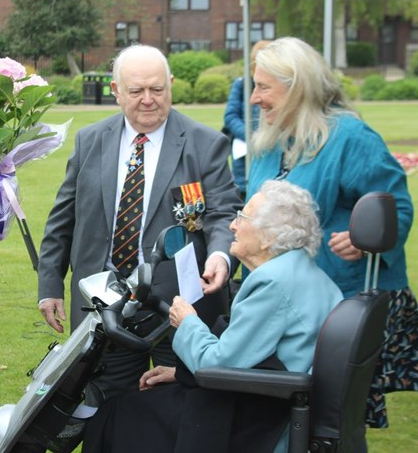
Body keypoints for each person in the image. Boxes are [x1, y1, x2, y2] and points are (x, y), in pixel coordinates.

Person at [37, 44, 242, 402]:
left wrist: (221, 256)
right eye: (136, 91)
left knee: (180, 406)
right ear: (116, 92)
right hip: (104, 304)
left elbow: (224, 212)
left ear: (171, 85)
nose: (148, 99)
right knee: (101, 406)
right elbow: (63, 217)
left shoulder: (205, 144)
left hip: (179, 307)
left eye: (157, 89)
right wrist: (50, 282)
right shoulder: (90, 140)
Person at [246, 36, 418, 427]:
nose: (253, 99)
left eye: (263, 87)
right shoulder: (268, 140)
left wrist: (364, 242)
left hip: (332, 307)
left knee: (330, 423)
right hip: (276, 305)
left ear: (297, 88)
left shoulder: (350, 138)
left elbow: (395, 207)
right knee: (279, 421)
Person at [82, 180, 344, 453]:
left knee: (117, 412)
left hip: (261, 420)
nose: (232, 225)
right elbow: (246, 356)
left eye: (242, 217)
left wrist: (187, 322)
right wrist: (178, 372)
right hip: (272, 401)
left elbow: (220, 365)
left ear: (269, 237)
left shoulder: (272, 282)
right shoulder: (301, 269)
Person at [222, 40, 270, 200]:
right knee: (244, 192)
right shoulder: (242, 84)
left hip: (270, 145)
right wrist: (250, 137)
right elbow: (230, 116)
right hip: (244, 150)